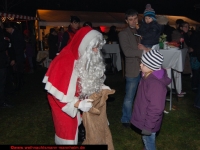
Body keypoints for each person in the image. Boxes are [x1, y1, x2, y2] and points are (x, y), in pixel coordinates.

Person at [42, 26, 110, 144]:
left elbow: (89, 80)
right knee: (68, 132)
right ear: (85, 46)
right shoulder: (63, 61)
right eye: (93, 47)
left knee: (89, 129)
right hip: (63, 104)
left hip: (81, 98)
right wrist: (77, 103)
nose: (96, 51)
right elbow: (58, 94)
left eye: (98, 48)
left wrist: (100, 87)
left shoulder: (87, 58)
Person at [131, 50, 171, 150]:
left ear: (151, 67)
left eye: (143, 64)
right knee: (147, 141)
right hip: (144, 117)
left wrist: (148, 127)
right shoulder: (147, 76)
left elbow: (156, 108)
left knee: (149, 143)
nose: (140, 65)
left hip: (148, 122)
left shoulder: (155, 85)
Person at [118, 9, 144, 127]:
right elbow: (127, 52)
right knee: (129, 97)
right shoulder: (123, 34)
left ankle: (140, 117)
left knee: (143, 96)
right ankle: (125, 118)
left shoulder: (142, 31)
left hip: (145, 69)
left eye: (135, 19)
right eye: (130, 19)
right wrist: (143, 52)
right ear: (126, 21)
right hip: (133, 69)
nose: (133, 21)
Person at [4, 22, 26, 91]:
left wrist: (14, 58)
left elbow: (17, 48)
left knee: (18, 71)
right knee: (18, 72)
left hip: (18, 56)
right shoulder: (13, 34)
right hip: (17, 56)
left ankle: (19, 85)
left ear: (11, 28)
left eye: (7, 29)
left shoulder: (16, 34)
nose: (7, 30)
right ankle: (20, 84)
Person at [0, 20, 13, 108]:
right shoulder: (1, 33)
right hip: (1, 62)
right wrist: (7, 43)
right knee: (2, 83)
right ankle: (2, 102)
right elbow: (2, 46)